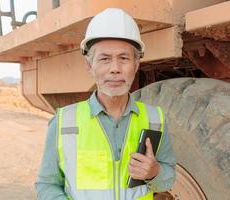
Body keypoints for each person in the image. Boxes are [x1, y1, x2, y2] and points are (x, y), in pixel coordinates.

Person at [35, 8, 176, 200]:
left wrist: (154, 172)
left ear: (136, 65)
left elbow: (167, 180)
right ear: (89, 66)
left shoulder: (155, 119)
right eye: (104, 59)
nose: (115, 69)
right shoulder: (63, 121)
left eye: (124, 58)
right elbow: (47, 184)